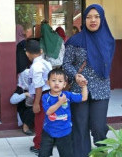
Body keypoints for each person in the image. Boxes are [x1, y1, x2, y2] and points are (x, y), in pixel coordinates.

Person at [62, 4, 115, 157]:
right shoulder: (75, 40)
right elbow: (66, 64)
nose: (93, 20)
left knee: (99, 127)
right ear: (84, 20)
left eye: (97, 16)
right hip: (79, 90)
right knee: (80, 127)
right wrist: (75, 75)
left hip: (101, 89)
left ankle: (100, 154)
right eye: (89, 17)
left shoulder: (108, 40)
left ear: (102, 19)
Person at [39, 68, 88, 157]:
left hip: (65, 131)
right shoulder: (45, 97)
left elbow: (83, 98)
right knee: (43, 154)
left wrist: (84, 86)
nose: (57, 83)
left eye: (60, 81)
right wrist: (60, 102)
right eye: (53, 80)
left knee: (66, 154)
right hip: (48, 131)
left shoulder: (68, 95)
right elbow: (48, 112)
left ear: (64, 84)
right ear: (48, 82)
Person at [25, 39, 52, 155]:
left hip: (41, 96)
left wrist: (36, 103)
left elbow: (38, 87)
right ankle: (47, 143)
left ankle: (39, 146)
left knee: (40, 121)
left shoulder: (35, 66)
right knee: (48, 120)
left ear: (27, 53)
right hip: (50, 95)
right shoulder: (46, 62)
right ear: (40, 51)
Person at [10, 69, 34, 135]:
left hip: (35, 109)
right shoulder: (20, 89)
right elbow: (12, 100)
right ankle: (25, 127)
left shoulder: (35, 87)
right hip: (24, 111)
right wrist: (25, 94)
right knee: (32, 110)